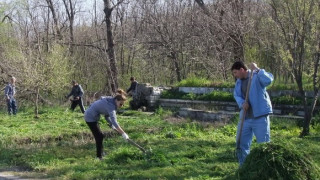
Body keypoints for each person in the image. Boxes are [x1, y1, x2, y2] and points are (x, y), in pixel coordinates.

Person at [231, 61, 273, 166]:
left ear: (242, 70)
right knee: (241, 143)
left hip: (259, 117)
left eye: (235, 72)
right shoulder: (239, 82)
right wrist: (242, 103)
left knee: (263, 144)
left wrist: (258, 69)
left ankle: (265, 168)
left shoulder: (256, 75)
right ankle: (244, 167)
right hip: (245, 118)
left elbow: (269, 80)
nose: (235, 76)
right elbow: (236, 95)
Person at [84, 89, 129, 160]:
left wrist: (111, 125)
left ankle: (101, 153)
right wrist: (123, 133)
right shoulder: (111, 106)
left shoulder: (111, 101)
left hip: (92, 115)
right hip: (90, 117)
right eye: (121, 104)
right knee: (99, 136)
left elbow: (106, 116)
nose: (121, 106)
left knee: (100, 136)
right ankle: (99, 157)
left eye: (123, 104)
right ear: (116, 100)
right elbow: (114, 121)